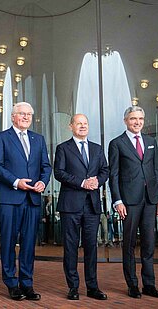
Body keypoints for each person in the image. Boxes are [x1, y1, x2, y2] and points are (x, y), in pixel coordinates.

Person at [0, 101, 52, 301]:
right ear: (13, 116)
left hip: (32, 198)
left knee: (28, 244)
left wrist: (43, 182)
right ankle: (11, 283)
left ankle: (27, 283)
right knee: (8, 242)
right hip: (9, 198)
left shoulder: (39, 139)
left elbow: (46, 166)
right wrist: (16, 182)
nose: (25, 117)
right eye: (22, 114)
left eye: (29, 115)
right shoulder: (1, 138)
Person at [108, 106, 158, 299]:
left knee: (149, 244)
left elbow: (156, 172)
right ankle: (132, 285)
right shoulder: (117, 143)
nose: (137, 122)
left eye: (140, 118)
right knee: (130, 245)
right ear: (126, 121)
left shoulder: (151, 141)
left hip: (150, 200)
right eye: (133, 119)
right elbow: (113, 175)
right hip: (129, 202)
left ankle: (149, 284)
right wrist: (117, 201)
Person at [53, 114, 109, 301]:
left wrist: (97, 181)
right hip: (71, 205)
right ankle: (73, 287)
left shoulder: (97, 148)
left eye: (85, 123)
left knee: (91, 247)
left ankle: (92, 287)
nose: (83, 126)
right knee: (70, 247)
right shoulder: (63, 148)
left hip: (92, 205)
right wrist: (82, 182)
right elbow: (59, 173)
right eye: (79, 124)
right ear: (71, 127)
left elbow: (105, 170)